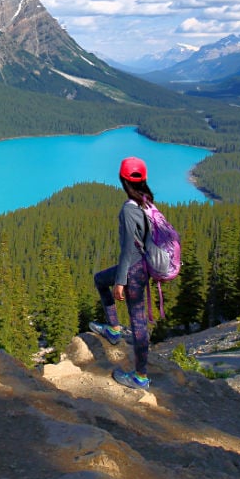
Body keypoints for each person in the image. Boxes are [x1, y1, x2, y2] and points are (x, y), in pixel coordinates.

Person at [88, 156, 153, 390]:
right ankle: (114, 329)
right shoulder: (148, 203)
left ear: (122, 179)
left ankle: (140, 377)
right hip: (144, 267)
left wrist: (120, 280)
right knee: (99, 280)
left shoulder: (129, 209)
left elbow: (128, 249)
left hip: (133, 270)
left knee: (138, 322)